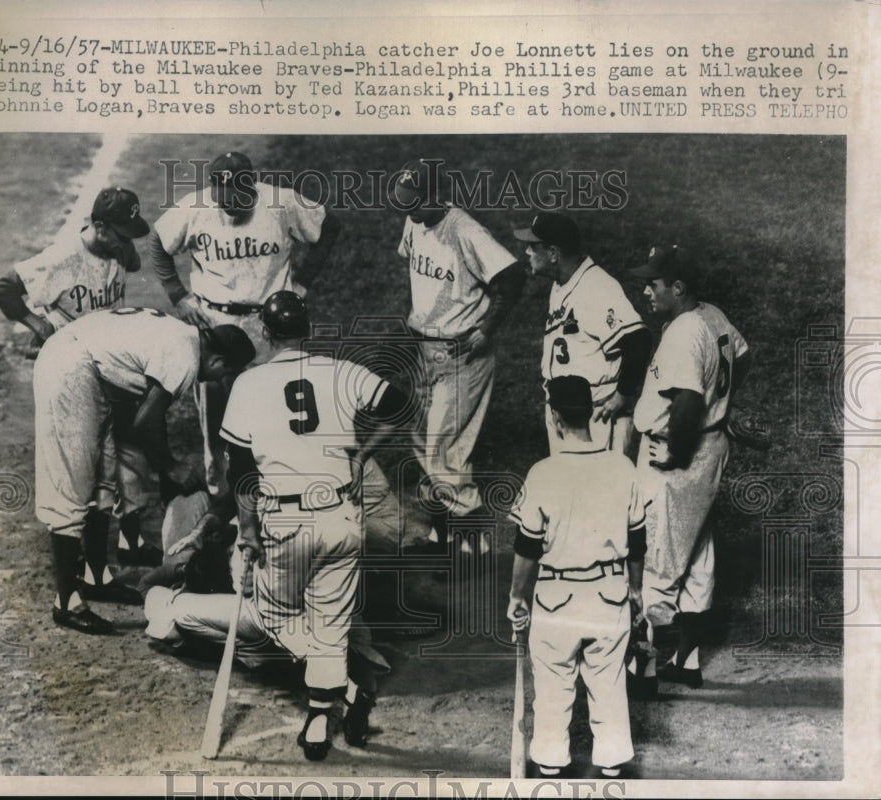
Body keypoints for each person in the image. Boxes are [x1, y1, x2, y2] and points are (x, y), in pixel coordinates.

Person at [220, 290, 410, 761]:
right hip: (342, 517)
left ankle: (343, 689)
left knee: (271, 611)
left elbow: (240, 472)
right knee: (331, 621)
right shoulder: (342, 371)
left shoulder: (248, 384)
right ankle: (322, 717)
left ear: (265, 332)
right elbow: (401, 404)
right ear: (307, 330)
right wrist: (361, 454)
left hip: (285, 520)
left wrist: (248, 531)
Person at [33, 306, 255, 635]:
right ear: (219, 361)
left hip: (89, 366)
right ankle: (66, 603)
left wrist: (168, 473)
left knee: (104, 478)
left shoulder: (184, 338)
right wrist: (171, 467)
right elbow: (145, 421)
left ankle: (96, 578)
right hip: (69, 365)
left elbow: (152, 416)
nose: (219, 379)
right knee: (72, 480)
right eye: (226, 372)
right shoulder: (186, 356)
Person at [148, 151, 341, 499]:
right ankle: (221, 496)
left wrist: (302, 282)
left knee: (275, 413)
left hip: (269, 326)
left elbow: (329, 226)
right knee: (216, 420)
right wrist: (178, 295)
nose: (230, 208)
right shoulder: (195, 208)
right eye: (224, 200)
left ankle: (274, 492)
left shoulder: (281, 202)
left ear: (252, 184)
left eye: (237, 200)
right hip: (215, 323)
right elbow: (158, 242)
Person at [0, 186, 160, 564]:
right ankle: (76, 561)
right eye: (120, 234)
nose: (126, 242)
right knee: (84, 467)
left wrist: (124, 245)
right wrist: (38, 325)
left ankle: (125, 548)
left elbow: (132, 263)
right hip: (74, 376)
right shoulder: (63, 258)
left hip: (110, 365)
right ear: (99, 226)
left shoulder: (118, 247)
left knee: (126, 455)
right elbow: (2, 289)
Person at [507, 375, 646, 779]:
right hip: (609, 596)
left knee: (553, 690)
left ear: (554, 417)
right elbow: (638, 542)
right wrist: (636, 589)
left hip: (556, 600)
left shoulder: (542, 473)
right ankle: (612, 772)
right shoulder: (623, 467)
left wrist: (517, 596)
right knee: (609, 685)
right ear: (591, 413)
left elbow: (527, 548)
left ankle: (551, 769)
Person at [629, 245, 751, 691]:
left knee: (659, 556)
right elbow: (742, 355)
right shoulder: (712, 315)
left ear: (677, 288)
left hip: (679, 454)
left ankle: (643, 671)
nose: (646, 291)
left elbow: (687, 401)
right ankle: (687, 661)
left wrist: (676, 454)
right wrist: (725, 403)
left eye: (653, 284)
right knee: (698, 555)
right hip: (711, 448)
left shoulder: (684, 332)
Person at [391, 159, 526, 554]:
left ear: (437, 195)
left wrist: (487, 328)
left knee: (445, 452)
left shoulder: (466, 232)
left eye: (415, 202)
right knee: (422, 443)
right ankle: (442, 535)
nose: (409, 210)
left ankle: (473, 548)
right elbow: (417, 276)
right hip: (424, 349)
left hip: (460, 354)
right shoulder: (415, 220)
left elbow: (513, 276)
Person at [140, 492, 391, 677]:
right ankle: (293, 654)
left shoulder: (254, 528)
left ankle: (278, 657)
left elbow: (148, 585)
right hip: (336, 607)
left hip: (285, 618)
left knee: (172, 609)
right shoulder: (314, 478)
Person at [513, 211, 651, 455]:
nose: (527, 252)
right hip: (565, 412)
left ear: (553, 253)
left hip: (596, 415)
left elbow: (638, 339)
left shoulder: (597, 287)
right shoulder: (561, 282)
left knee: (599, 480)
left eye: (533, 247)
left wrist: (622, 396)